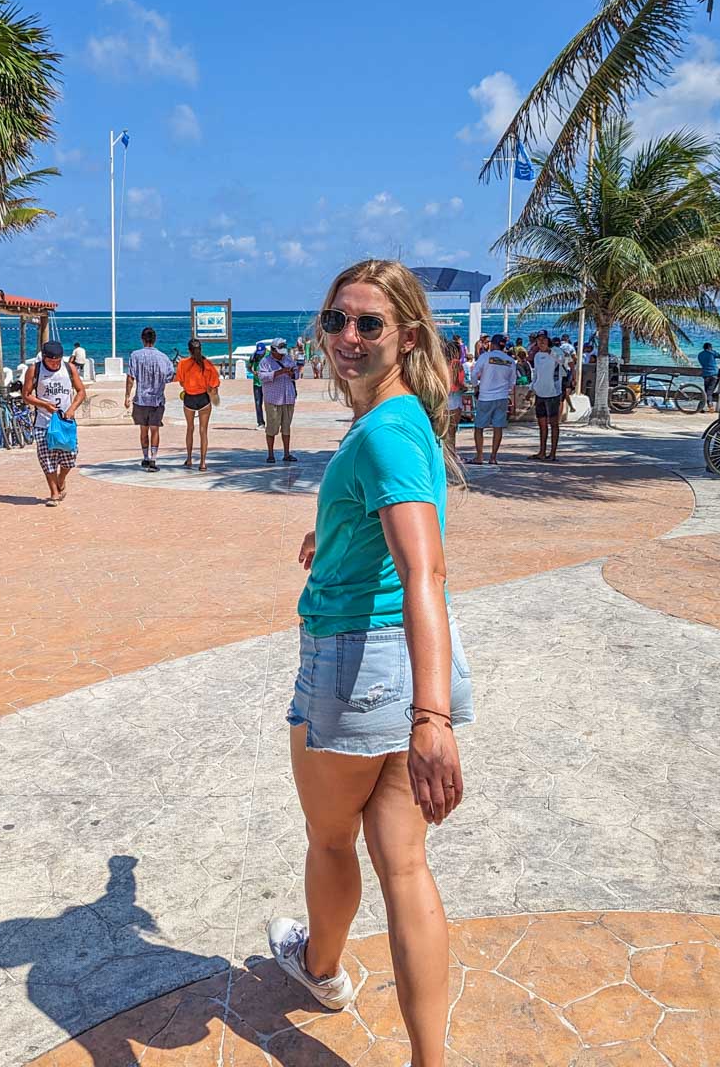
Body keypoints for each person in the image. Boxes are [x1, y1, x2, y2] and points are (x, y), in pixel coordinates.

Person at [267, 259, 473, 1067]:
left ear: (406, 336)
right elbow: (395, 534)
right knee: (406, 864)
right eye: (336, 320)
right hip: (416, 660)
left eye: (369, 325)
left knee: (330, 842)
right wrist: (336, 535)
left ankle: (319, 969)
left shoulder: (384, 429)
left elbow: (425, 568)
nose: (347, 337)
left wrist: (432, 720)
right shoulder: (407, 416)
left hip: (360, 670)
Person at [22, 341, 86, 506]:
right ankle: (54, 493)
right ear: (44, 358)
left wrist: (72, 409)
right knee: (47, 459)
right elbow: (26, 395)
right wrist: (44, 405)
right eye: (51, 361)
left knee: (69, 457)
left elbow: (81, 391)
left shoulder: (69, 369)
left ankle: (61, 479)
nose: (55, 364)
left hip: (65, 422)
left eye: (57, 361)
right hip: (43, 422)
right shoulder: (34, 370)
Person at [125, 327, 174, 472]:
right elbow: (170, 376)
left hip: (141, 399)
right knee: (155, 430)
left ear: (142, 339)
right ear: (155, 340)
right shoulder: (163, 357)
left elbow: (130, 377)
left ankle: (145, 458)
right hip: (157, 400)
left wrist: (127, 396)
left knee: (143, 430)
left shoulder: (135, 355)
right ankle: (153, 459)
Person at [469, 334, 516, 465]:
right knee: (498, 427)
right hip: (502, 397)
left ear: (492, 344)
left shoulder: (485, 357)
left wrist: (476, 386)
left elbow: (474, 374)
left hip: (485, 397)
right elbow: (512, 382)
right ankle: (493, 457)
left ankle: (479, 456)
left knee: (479, 427)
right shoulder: (510, 361)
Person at [175, 338, 220, 471]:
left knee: (190, 428)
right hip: (203, 399)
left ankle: (189, 459)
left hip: (189, 398)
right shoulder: (207, 364)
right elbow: (214, 384)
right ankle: (203, 463)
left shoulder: (183, 363)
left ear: (189, 350)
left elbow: (181, 382)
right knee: (203, 431)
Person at [258, 338, 298, 464]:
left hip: (288, 398)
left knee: (286, 427)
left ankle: (287, 453)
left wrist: (292, 373)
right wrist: (279, 372)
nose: (281, 354)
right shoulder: (265, 362)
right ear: (273, 350)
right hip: (273, 399)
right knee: (272, 428)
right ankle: (270, 454)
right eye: (279, 352)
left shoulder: (288, 359)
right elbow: (262, 377)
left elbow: (296, 375)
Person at [531, 332, 563, 461]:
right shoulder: (537, 356)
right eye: (538, 340)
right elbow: (536, 374)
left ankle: (553, 453)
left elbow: (563, 362)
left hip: (553, 393)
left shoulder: (556, 352)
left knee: (554, 424)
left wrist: (549, 351)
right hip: (540, 393)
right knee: (542, 425)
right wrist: (531, 388)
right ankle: (542, 451)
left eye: (543, 339)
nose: (541, 342)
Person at [444, 337, 465, 448]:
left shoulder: (442, 363)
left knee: (444, 429)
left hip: (444, 395)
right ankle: (452, 452)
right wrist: (464, 387)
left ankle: (446, 452)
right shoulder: (456, 363)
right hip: (454, 396)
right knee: (452, 428)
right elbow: (458, 381)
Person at [698, 342, 720, 412]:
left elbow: (702, 363)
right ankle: (708, 406)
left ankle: (702, 407)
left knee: (707, 391)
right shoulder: (711, 353)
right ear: (710, 347)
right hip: (714, 374)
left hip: (705, 375)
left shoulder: (700, 355)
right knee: (709, 392)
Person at [247, 343, 266, 427]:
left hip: (267, 383)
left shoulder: (269, 356)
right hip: (257, 383)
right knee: (258, 403)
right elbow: (249, 367)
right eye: (259, 353)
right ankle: (260, 422)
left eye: (261, 352)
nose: (260, 354)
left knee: (270, 403)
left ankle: (272, 422)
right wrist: (253, 372)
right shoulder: (253, 356)